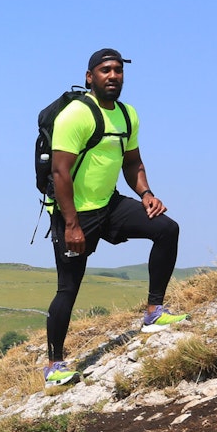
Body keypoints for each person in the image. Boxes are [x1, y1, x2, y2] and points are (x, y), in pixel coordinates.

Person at [44, 48, 185, 387]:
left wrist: (146, 194)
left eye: (118, 71)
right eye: (105, 70)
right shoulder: (76, 116)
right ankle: (54, 365)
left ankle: (154, 312)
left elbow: (132, 161)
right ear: (90, 77)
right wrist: (72, 224)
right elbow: (60, 173)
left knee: (166, 229)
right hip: (74, 214)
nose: (113, 76)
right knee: (68, 288)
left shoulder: (126, 114)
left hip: (109, 205)